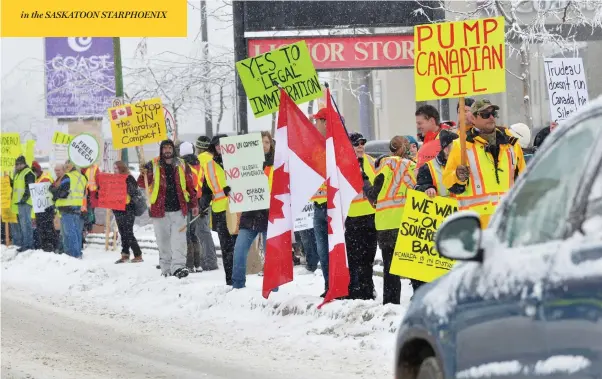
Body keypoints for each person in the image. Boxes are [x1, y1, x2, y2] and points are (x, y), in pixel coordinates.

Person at [443, 99, 526, 228]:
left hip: (506, 224)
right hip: (476, 227)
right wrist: (458, 177)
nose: (491, 117)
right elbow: (449, 182)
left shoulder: (511, 144)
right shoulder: (462, 145)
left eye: (493, 113)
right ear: (473, 118)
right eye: (485, 114)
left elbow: (524, 179)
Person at [366, 136, 416, 305]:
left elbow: (374, 193)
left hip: (386, 223)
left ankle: (391, 302)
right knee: (411, 264)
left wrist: (365, 183)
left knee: (390, 267)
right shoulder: (413, 166)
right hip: (407, 222)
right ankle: (419, 297)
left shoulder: (385, 166)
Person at [139, 140, 198, 278]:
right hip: (160, 211)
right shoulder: (152, 165)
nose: (167, 150)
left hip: (179, 209)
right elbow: (142, 184)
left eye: (169, 147)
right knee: (163, 241)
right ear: (161, 150)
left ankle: (178, 267)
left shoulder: (182, 165)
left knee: (179, 241)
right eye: (164, 148)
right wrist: (143, 173)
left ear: (173, 149)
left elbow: (190, 185)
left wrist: (194, 204)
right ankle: (166, 269)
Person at [232, 131, 274, 289]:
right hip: (250, 213)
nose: (264, 146)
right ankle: (237, 285)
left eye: (267, 142)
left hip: (270, 213)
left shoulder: (276, 165)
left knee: (271, 254)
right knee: (240, 249)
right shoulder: (246, 165)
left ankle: (273, 288)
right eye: (261, 142)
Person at [199, 134, 237, 285]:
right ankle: (230, 280)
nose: (220, 148)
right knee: (226, 246)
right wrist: (203, 205)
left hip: (237, 209)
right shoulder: (209, 165)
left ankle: (238, 278)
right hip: (220, 211)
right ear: (213, 148)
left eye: (223, 144)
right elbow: (207, 189)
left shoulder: (237, 161)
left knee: (237, 247)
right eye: (217, 145)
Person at [346, 132, 378, 300]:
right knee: (354, 257)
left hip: (371, 217)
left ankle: (368, 288)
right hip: (352, 218)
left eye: (362, 142)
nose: (360, 145)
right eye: (356, 143)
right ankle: (355, 289)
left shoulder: (372, 162)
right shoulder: (344, 163)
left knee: (368, 257)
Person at [309, 107, 330, 297]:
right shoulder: (313, 146)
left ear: (324, 122)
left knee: (335, 250)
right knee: (323, 252)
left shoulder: (336, 145)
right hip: (318, 207)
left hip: (333, 206)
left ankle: (338, 285)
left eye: (317, 121)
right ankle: (328, 286)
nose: (315, 124)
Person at [50, 161, 87, 258]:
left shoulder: (67, 177)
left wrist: (53, 191)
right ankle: (77, 253)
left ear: (69, 167)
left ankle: (72, 255)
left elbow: (63, 193)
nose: (65, 168)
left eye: (66, 166)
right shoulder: (82, 177)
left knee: (68, 233)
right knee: (76, 232)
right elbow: (83, 193)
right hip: (77, 207)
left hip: (67, 207)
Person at [195, 135, 219, 271]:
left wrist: (201, 201)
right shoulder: (213, 158)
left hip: (203, 199)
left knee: (202, 231)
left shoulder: (201, 160)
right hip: (215, 199)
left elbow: (201, 182)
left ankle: (209, 261)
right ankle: (209, 259)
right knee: (204, 231)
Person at [179, 141, 203, 273]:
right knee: (193, 233)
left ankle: (188, 264)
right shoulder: (199, 164)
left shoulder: (183, 165)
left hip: (186, 201)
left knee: (186, 233)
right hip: (197, 201)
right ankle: (197, 264)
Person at [112, 161, 143, 264]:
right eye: (114, 168)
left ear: (121, 168)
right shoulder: (113, 179)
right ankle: (125, 254)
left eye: (116, 168)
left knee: (128, 232)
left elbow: (133, 192)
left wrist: (122, 186)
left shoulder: (129, 178)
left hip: (127, 208)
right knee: (122, 232)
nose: (114, 170)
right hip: (117, 209)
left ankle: (138, 254)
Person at [10, 156, 36, 252]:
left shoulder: (28, 173)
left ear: (23, 164)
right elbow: (16, 186)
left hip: (25, 202)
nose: (16, 166)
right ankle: (26, 244)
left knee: (26, 224)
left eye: (17, 164)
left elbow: (29, 187)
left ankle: (28, 245)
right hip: (21, 203)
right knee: (23, 224)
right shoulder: (18, 174)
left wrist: (24, 198)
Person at [31, 161, 56, 252]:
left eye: (35, 170)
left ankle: (49, 246)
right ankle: (46, 246)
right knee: (43, 228)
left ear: (38, 170)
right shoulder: (38, 178)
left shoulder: (45, 178)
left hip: (46, 208)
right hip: (41, 209)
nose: (34, 173)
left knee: (47, 228)